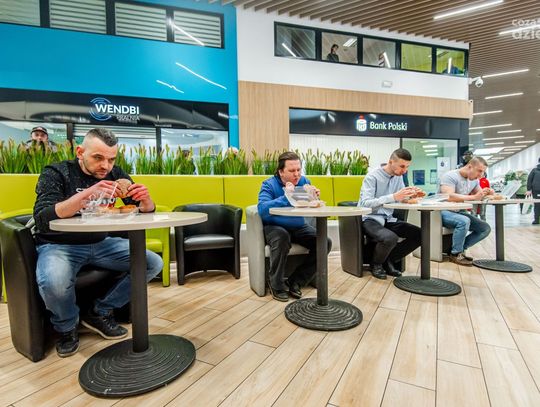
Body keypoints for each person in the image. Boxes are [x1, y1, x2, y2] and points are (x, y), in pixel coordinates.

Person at [33, 128, 163, 357]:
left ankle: (100, 311)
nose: (106, 166)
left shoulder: (116, 174)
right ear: (80, 152)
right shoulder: (56, 172)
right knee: (53, 282)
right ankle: (67, 327)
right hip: (59, 245)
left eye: (111, 159)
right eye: (98, 158)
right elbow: (43, 218)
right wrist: (87, 194)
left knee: (152, 263)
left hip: (102, 242)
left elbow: (142, 210)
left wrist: (146, 201)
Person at [258, 151, 331, 302]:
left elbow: (308, 205)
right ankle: (276, 284)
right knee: (282, 237)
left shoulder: (304, 181)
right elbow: (263, 210)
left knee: (324, 242)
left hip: (298, 226)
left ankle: (296, 281)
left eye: (298, 170)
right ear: (281, 172)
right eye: (292, 171)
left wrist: (314, 198)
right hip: (275, 226)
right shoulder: (269, 184)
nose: (297, 174)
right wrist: (286, 197)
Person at [358, 148, 421, 280]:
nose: (405, 170)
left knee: (420, 234)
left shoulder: (399, 177)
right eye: (402, 166)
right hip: (370, 218)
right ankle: (376, 264)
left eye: (407, 167)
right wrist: (393, 196)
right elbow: (365, 203)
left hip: (388, 218)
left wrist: (411, 196)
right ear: (391, 162)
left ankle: (388, 260)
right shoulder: (372, 176)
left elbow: (400, 198)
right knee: (390, 238)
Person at [439, 156, 492, 265]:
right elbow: (448, 196)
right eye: (479, 171)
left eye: (483, 172)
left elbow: (479, 195)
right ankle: (455, 254)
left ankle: (459, 249)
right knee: (464, 221)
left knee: (485, 228)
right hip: (441, 211)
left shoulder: (474, 180)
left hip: (458, 212)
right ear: (470, 166)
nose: (481, 175)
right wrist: (473, 197)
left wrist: (489, 193)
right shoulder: (450, 176)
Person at [526, 157, 540, 225]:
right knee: (537, 205)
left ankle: (537, 219)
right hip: (536, 190)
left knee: (537, 205)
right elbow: (529, 180)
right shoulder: (534, 170)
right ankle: (536, 219)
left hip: (536, 190)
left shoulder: (534, 170)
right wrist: (529, 189)